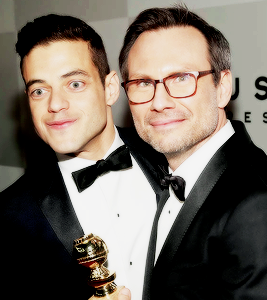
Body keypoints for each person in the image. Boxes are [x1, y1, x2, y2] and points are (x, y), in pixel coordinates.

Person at [0, 14, 167, 300]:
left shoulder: (170, 155)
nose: (54, 104)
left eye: (74, 84)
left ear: (110, 88)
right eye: (39, 90)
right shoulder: (10, 216)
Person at [119, 4, 267, 300]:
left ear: (223, 87)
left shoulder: (256, 203)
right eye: (143, 82)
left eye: (182, 78)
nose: (159, 101)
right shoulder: (152, 174)